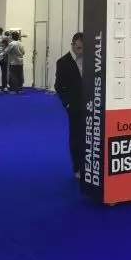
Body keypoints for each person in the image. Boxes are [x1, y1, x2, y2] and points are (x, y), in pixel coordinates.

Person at [55, 33, 84, 179]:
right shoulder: (63, 62)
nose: (81, 51)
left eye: (83, 48)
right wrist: (67, 103)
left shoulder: (92, 59)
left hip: (92, 104)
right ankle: (77, 167)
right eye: (78, 48)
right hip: (74, 105)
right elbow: (59, 86)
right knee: (76, 136)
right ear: (72, 45)